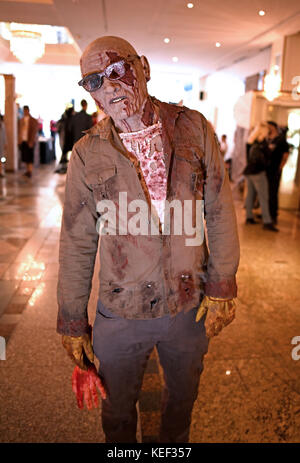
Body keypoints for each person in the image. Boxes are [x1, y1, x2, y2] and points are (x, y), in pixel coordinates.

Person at [57, 36, 240, 443]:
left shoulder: (193, 127)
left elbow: (220, 208)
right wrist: (72, 320)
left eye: (118, 71)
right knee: (118, 413)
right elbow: (76, 240)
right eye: (94, 81)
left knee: (181, 405)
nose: (109, 87)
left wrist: (223, 282)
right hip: (121, 313)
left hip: (187, 307)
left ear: (143, 67)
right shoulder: (88, 153)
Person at [243, 122, 278, 231]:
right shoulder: (262, 143)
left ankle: (249, 217)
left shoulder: (250, 141)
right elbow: (267, 158)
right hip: (258, 173)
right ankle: (267, 222)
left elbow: (247, 158)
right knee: (263, 197)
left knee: (250, 195)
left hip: (249, 172)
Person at [266, 121, 290, 224]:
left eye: (269, 126)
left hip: (275, 170)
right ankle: (266, 213)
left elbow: (285, 155)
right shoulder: (267, 138)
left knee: (273, 193)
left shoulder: (281, 140)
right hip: (266, 170)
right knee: (266, 192)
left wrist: (280, 168)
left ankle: (273, 215)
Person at [18, 105, 39, 178]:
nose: (25, 112)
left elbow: (34, 132)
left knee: (30, 157)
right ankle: (27, 170)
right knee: (25, 156)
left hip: (30, 141)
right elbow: (19, 131)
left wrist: (31, 141)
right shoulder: (21, 120)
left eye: (26, 110)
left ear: (28, 110)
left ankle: (30, 171)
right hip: (23, 140)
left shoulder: (33, 120)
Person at [55, 106, 75, 174]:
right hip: (67, 139)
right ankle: (64, 167)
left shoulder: (64, 120)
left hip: (65, 140)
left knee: (65, 153)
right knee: (65, 153)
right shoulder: (68, 120)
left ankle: (64, 167)